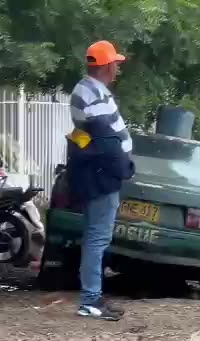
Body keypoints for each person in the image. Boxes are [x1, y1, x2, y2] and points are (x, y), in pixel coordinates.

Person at [68, 40, 133, 321]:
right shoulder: (91, 94)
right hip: (101, 177)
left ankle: (93, 297)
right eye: (115, 64)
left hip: (98, 174)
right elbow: (106, 141)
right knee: (97, 238)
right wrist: (124, 167)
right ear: (107, 66)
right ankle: (90, 301)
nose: (117, 69)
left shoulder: (92, 91)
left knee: (97, 238)